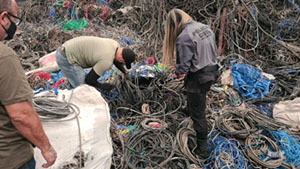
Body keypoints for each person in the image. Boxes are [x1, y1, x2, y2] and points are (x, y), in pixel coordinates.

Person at [0, 0, 57, 169]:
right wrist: (46, 148)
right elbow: (21, 115)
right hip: (10, 158)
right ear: (3, 18)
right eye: (14, 20)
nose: (14, 27)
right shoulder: (4, 57)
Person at [162, 9, 219, 159]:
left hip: (199, 78)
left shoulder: (184, 37)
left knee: (198, 113)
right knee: (195, 96)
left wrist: (175, 72)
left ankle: (202, 148)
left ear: (174, 24)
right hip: (212, 71)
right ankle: (189, 108)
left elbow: (183, 68)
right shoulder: (204, 27)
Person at [56, 36, 136, 90]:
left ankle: (73, 83)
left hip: (67, 47)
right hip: (66, 58)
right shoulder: (106, 61)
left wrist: (125, 72)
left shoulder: (115, 44)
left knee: (80, 83)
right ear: (121, 59)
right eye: (123, 62)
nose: (121, 63)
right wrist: (103, 86)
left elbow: (116, 60)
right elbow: (89, 80)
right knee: (84, 89)